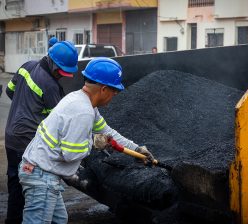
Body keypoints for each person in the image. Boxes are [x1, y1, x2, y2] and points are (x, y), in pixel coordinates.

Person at [18, 57, 154, 224]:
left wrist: (137, 149)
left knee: (59, 220)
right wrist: (96, 142)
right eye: (115, 91)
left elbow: (108, 132)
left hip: (41, 170)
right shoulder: (82, 111)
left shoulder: (82, 100)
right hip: (41, 175)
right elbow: (71, 154)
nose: (114, 96)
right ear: (104, 89)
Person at [5, 41, 78, 224]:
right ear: (52, 63)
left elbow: (9, 91)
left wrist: (26, 105)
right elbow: (58, 123)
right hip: (28, 144)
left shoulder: (26, 66)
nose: (62, 77)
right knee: (30, 190)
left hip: (11, 137)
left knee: (15, 182)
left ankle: (12, 220)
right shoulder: (51, 87)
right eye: (60, 72)